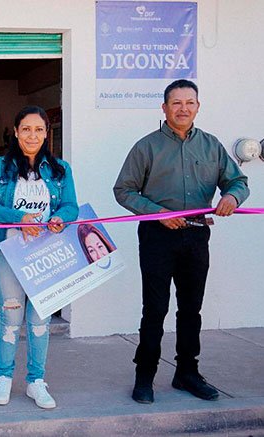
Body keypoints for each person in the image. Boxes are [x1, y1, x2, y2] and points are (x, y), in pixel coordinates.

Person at [114, 79, 249, 404]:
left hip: (197, 235)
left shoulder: (211, 146)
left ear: (198, 107)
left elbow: (238, 181)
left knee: (191, 308)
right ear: (164, 108)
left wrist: (232, 197)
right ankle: (144, 377)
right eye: (176, 103)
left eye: (190, 103)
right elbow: (124, 190)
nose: (183, 109)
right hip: (158, 237)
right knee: (155, 308)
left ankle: (187, 373)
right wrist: (157, 213)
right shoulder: (146, 147)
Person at [0, 105, 78, 409]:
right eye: (26, 129)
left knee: (40, 318)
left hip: (46, 254)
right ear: (16, 132)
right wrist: (19, 218)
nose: (32, 135)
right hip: (8, 252)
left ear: (47, 133)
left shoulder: (60, 170)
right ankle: (3, 377)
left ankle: (36, 381)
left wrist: (60, 218)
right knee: (11, 315)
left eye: (38, 129)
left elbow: (71, 206)